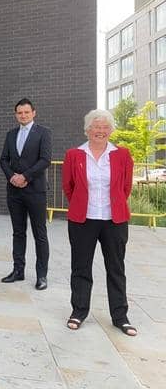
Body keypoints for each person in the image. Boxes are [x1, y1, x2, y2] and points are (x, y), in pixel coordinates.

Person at [62, 109, 137, 336]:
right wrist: (81, 204)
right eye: (96, 127)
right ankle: (79, 311)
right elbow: (69, 186)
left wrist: (113, 205)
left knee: (116, 267)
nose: (101, 131)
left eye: (105, 127)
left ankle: (120, 316)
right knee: (81, 267)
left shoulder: (122, 154)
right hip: (83, 219)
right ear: (87, 130)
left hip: (114, 220)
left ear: (111, 130)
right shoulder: (74, 155)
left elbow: (125, 187)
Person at [0, 98, 51, 290]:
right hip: (14, 192)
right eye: (19, 113)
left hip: (35, 190)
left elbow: (45, 159)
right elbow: (3, 159)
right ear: (16, 115)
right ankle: (18, 271)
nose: (23, 115)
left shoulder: (43, 133)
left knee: (40, 233)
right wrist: (12, 176)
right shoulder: (11, 134)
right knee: (18, 232)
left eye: (26, 112)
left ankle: (42, 276)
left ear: (33, 113)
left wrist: (25, 177)